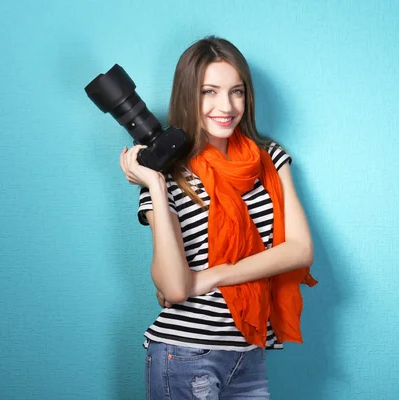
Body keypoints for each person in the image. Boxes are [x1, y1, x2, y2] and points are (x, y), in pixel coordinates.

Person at [119, 36, 317, 399]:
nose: (225, 106)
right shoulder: (165, 172)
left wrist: (211, 276)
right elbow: (176, 288)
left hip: (249, 353)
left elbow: (300, 250)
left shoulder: (269, 158)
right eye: (209, 91)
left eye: (236, 92)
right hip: (185, 354)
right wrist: (154, 185)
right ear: (188, 95)